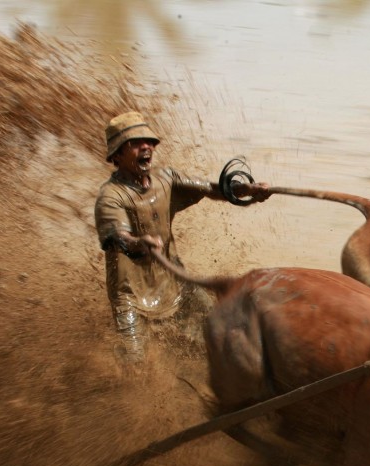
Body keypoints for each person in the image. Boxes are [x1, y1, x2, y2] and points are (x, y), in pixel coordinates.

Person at [94, 111, 269, 361]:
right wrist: (138, 243)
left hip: (175, 283)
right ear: (117, 155)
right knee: (135, 364)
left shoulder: (166, 179)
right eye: (135, 143)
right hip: (131, 297)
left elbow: (212, 189)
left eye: (149, 142)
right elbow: (117, 238)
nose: (146, 147)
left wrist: (246, 190)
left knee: (221, 333)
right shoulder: (110, 196)